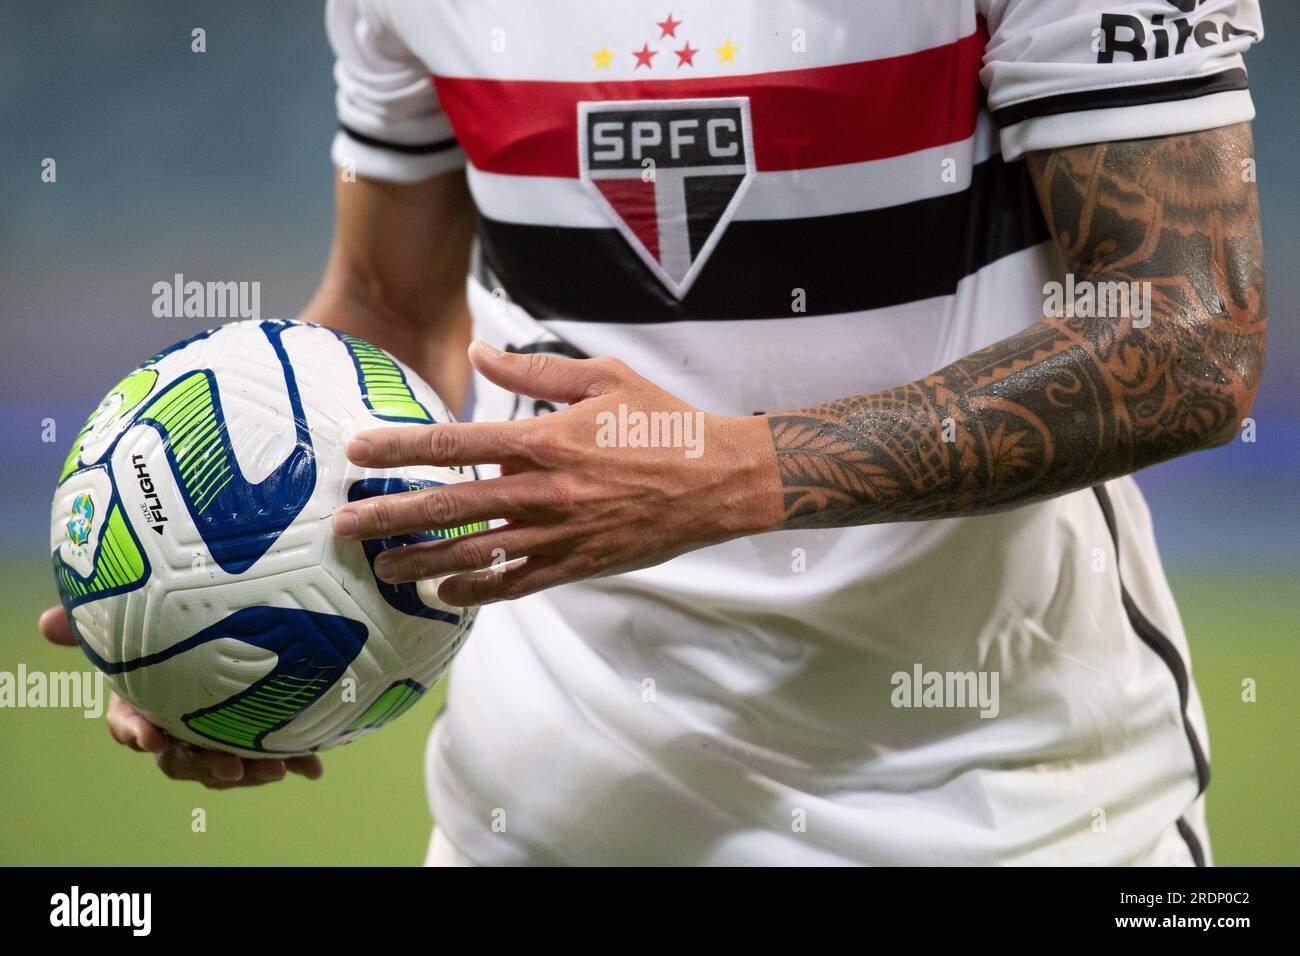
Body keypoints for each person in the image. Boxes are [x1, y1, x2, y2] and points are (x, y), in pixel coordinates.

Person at [41, 0, 1267, 864]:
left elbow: (1192, 334)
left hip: (998, 811)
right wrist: (205, 607)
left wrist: (734, 471)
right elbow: (387, 310)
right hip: (540, 811)